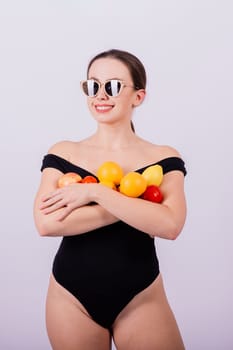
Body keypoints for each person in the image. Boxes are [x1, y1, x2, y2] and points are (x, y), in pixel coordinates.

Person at [33, 48, 187, 350]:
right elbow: (46, 223)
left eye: (113, 86)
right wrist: (136, 205)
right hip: (71, 296)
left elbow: (170, 226)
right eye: (92, 85)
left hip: (142, 295)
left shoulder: (164, 157)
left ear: (138, 96)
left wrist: (96, 193)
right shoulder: (64, 152)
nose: (100, 95)